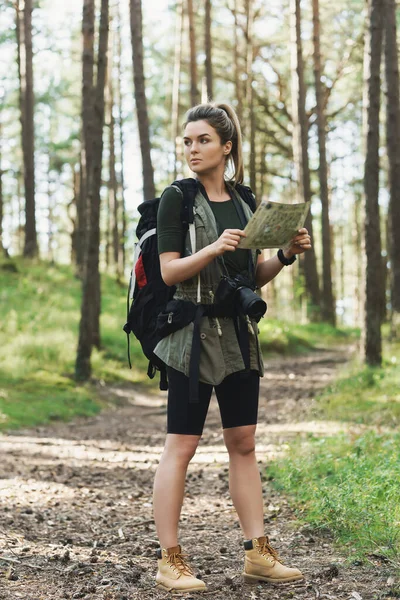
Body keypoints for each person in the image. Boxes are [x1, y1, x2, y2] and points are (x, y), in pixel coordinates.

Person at [152, 102, 312, 593]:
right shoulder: (176, 198)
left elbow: (252, 278)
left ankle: (258, 553)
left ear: (227, 146)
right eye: (187, 140)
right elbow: (169, 272)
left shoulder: (246, 202)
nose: (193, 149)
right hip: (190, 335)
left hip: (239, 336)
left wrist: (284, 256)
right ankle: (170, 559)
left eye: (202, 140)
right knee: (182, 445)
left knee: (243, 444)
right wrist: (213, 248)